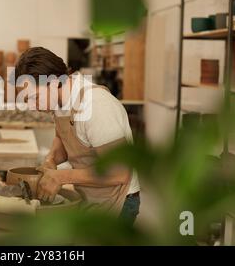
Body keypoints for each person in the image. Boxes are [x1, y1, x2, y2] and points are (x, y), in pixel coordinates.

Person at [14, 47, 140, 224]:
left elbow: (119, 172)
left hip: (119, 202)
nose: (33, 106)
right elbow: (62, 137)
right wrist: (50, 160)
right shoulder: (59, 101)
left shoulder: (96, 106)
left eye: (34, 97)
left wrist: (62, 176)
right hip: (91, 196)